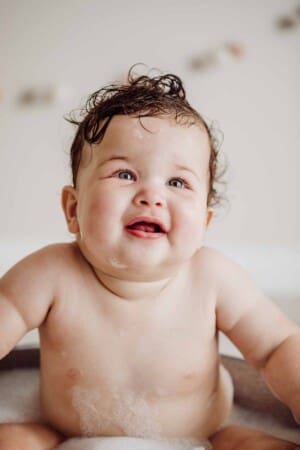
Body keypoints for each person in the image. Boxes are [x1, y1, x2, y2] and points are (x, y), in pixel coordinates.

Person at [0, 67, 299, 450]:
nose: (151, 196)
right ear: (73, 209)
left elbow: (277, 346)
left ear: (204, 223)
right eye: (125, 174)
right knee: (11, 440)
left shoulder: (213, 278)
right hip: (63, 431)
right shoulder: (49, 273)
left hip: (206, 434)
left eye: (177, 182)